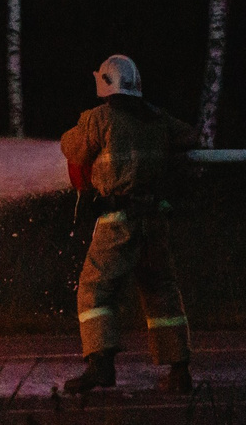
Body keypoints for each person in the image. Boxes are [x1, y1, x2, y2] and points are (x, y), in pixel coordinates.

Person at [58, 54, 201, 395]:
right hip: (155, 221)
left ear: (105, 83)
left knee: (95, 289)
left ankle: (100, 364)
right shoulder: (157, 118)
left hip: (117, 221)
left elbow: (72, 148)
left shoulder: (99, 119)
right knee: (161, 290)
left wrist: (82, 129)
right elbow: (190, 136)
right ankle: (179, 371)